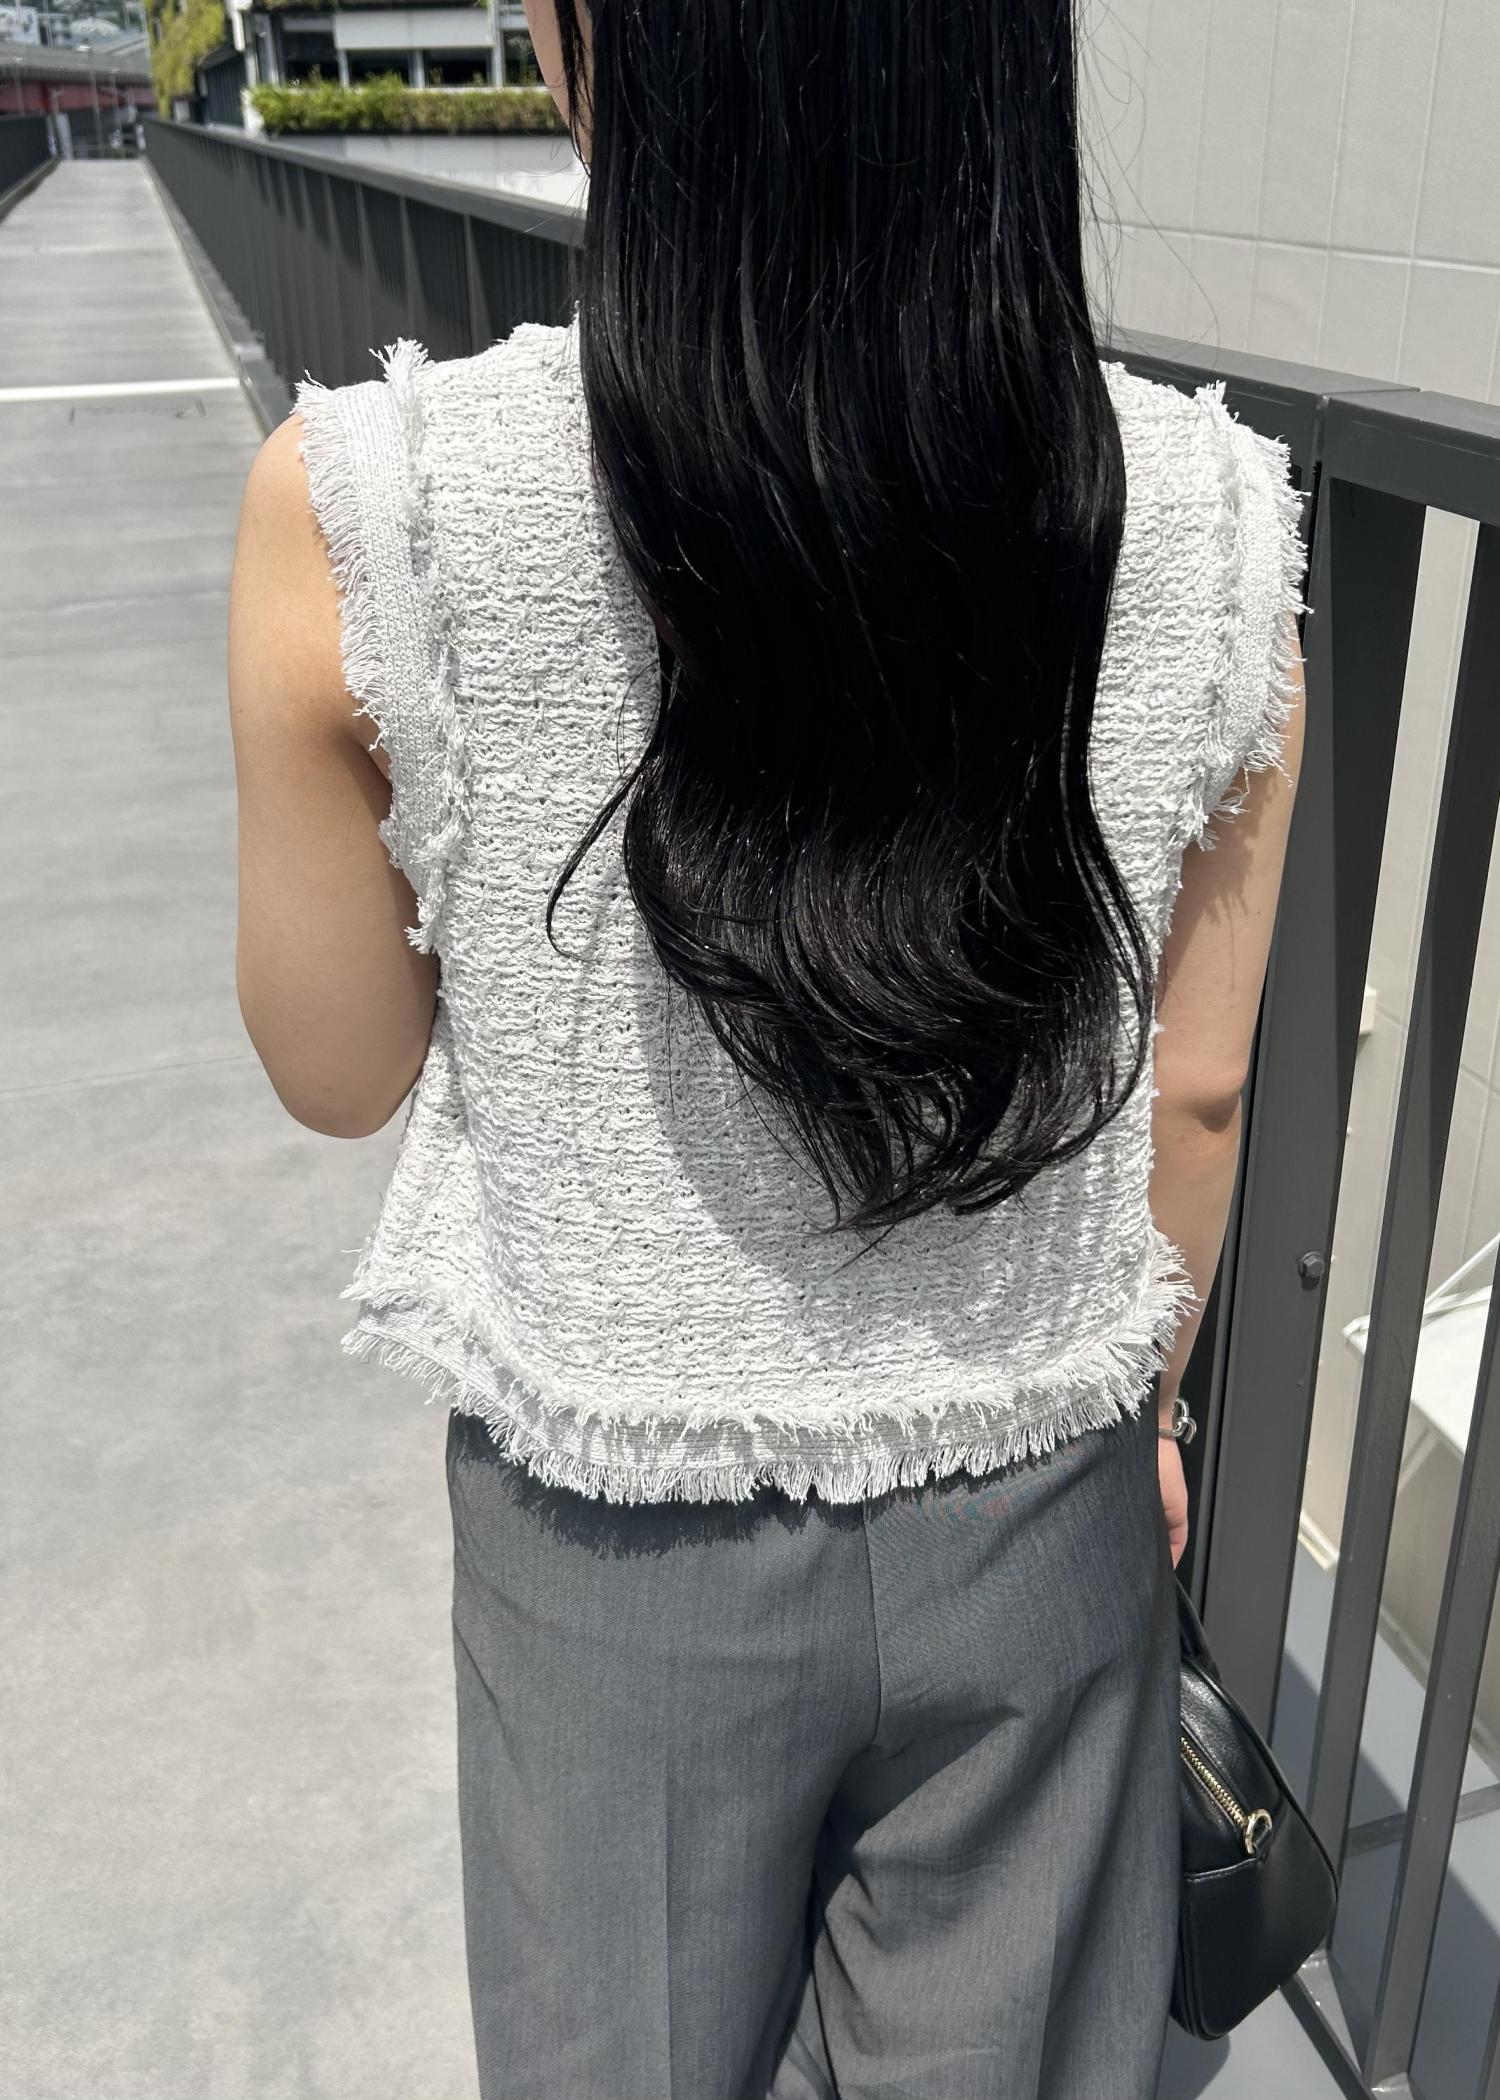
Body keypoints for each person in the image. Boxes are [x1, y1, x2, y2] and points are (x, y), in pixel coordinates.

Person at [227, 2, 1306, 2093]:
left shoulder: (372, 500)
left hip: (613, 1529)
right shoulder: (1210, 508)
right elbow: (1194, 1091)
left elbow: (337, 1065)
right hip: (1035, 1496)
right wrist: (1145, 1410)